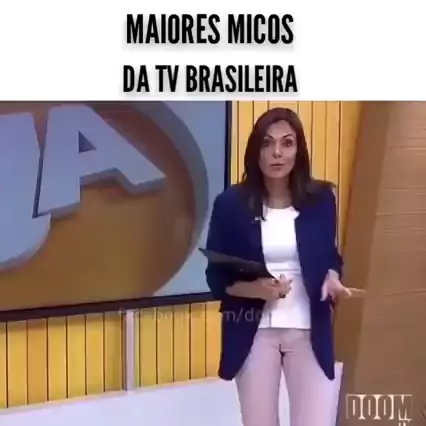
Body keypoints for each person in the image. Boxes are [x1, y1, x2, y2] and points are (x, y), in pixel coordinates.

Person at [204, 107, 352, 426]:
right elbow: (215, 277)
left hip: (309, 329)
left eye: (287, 143)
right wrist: (256, 289)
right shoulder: (230, 204)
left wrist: (332, 278)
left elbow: (330, 256)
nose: (277, 153)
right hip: (254, 331)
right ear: (255, 150)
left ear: (299, 150)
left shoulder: (322, 200)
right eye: (267, 143)